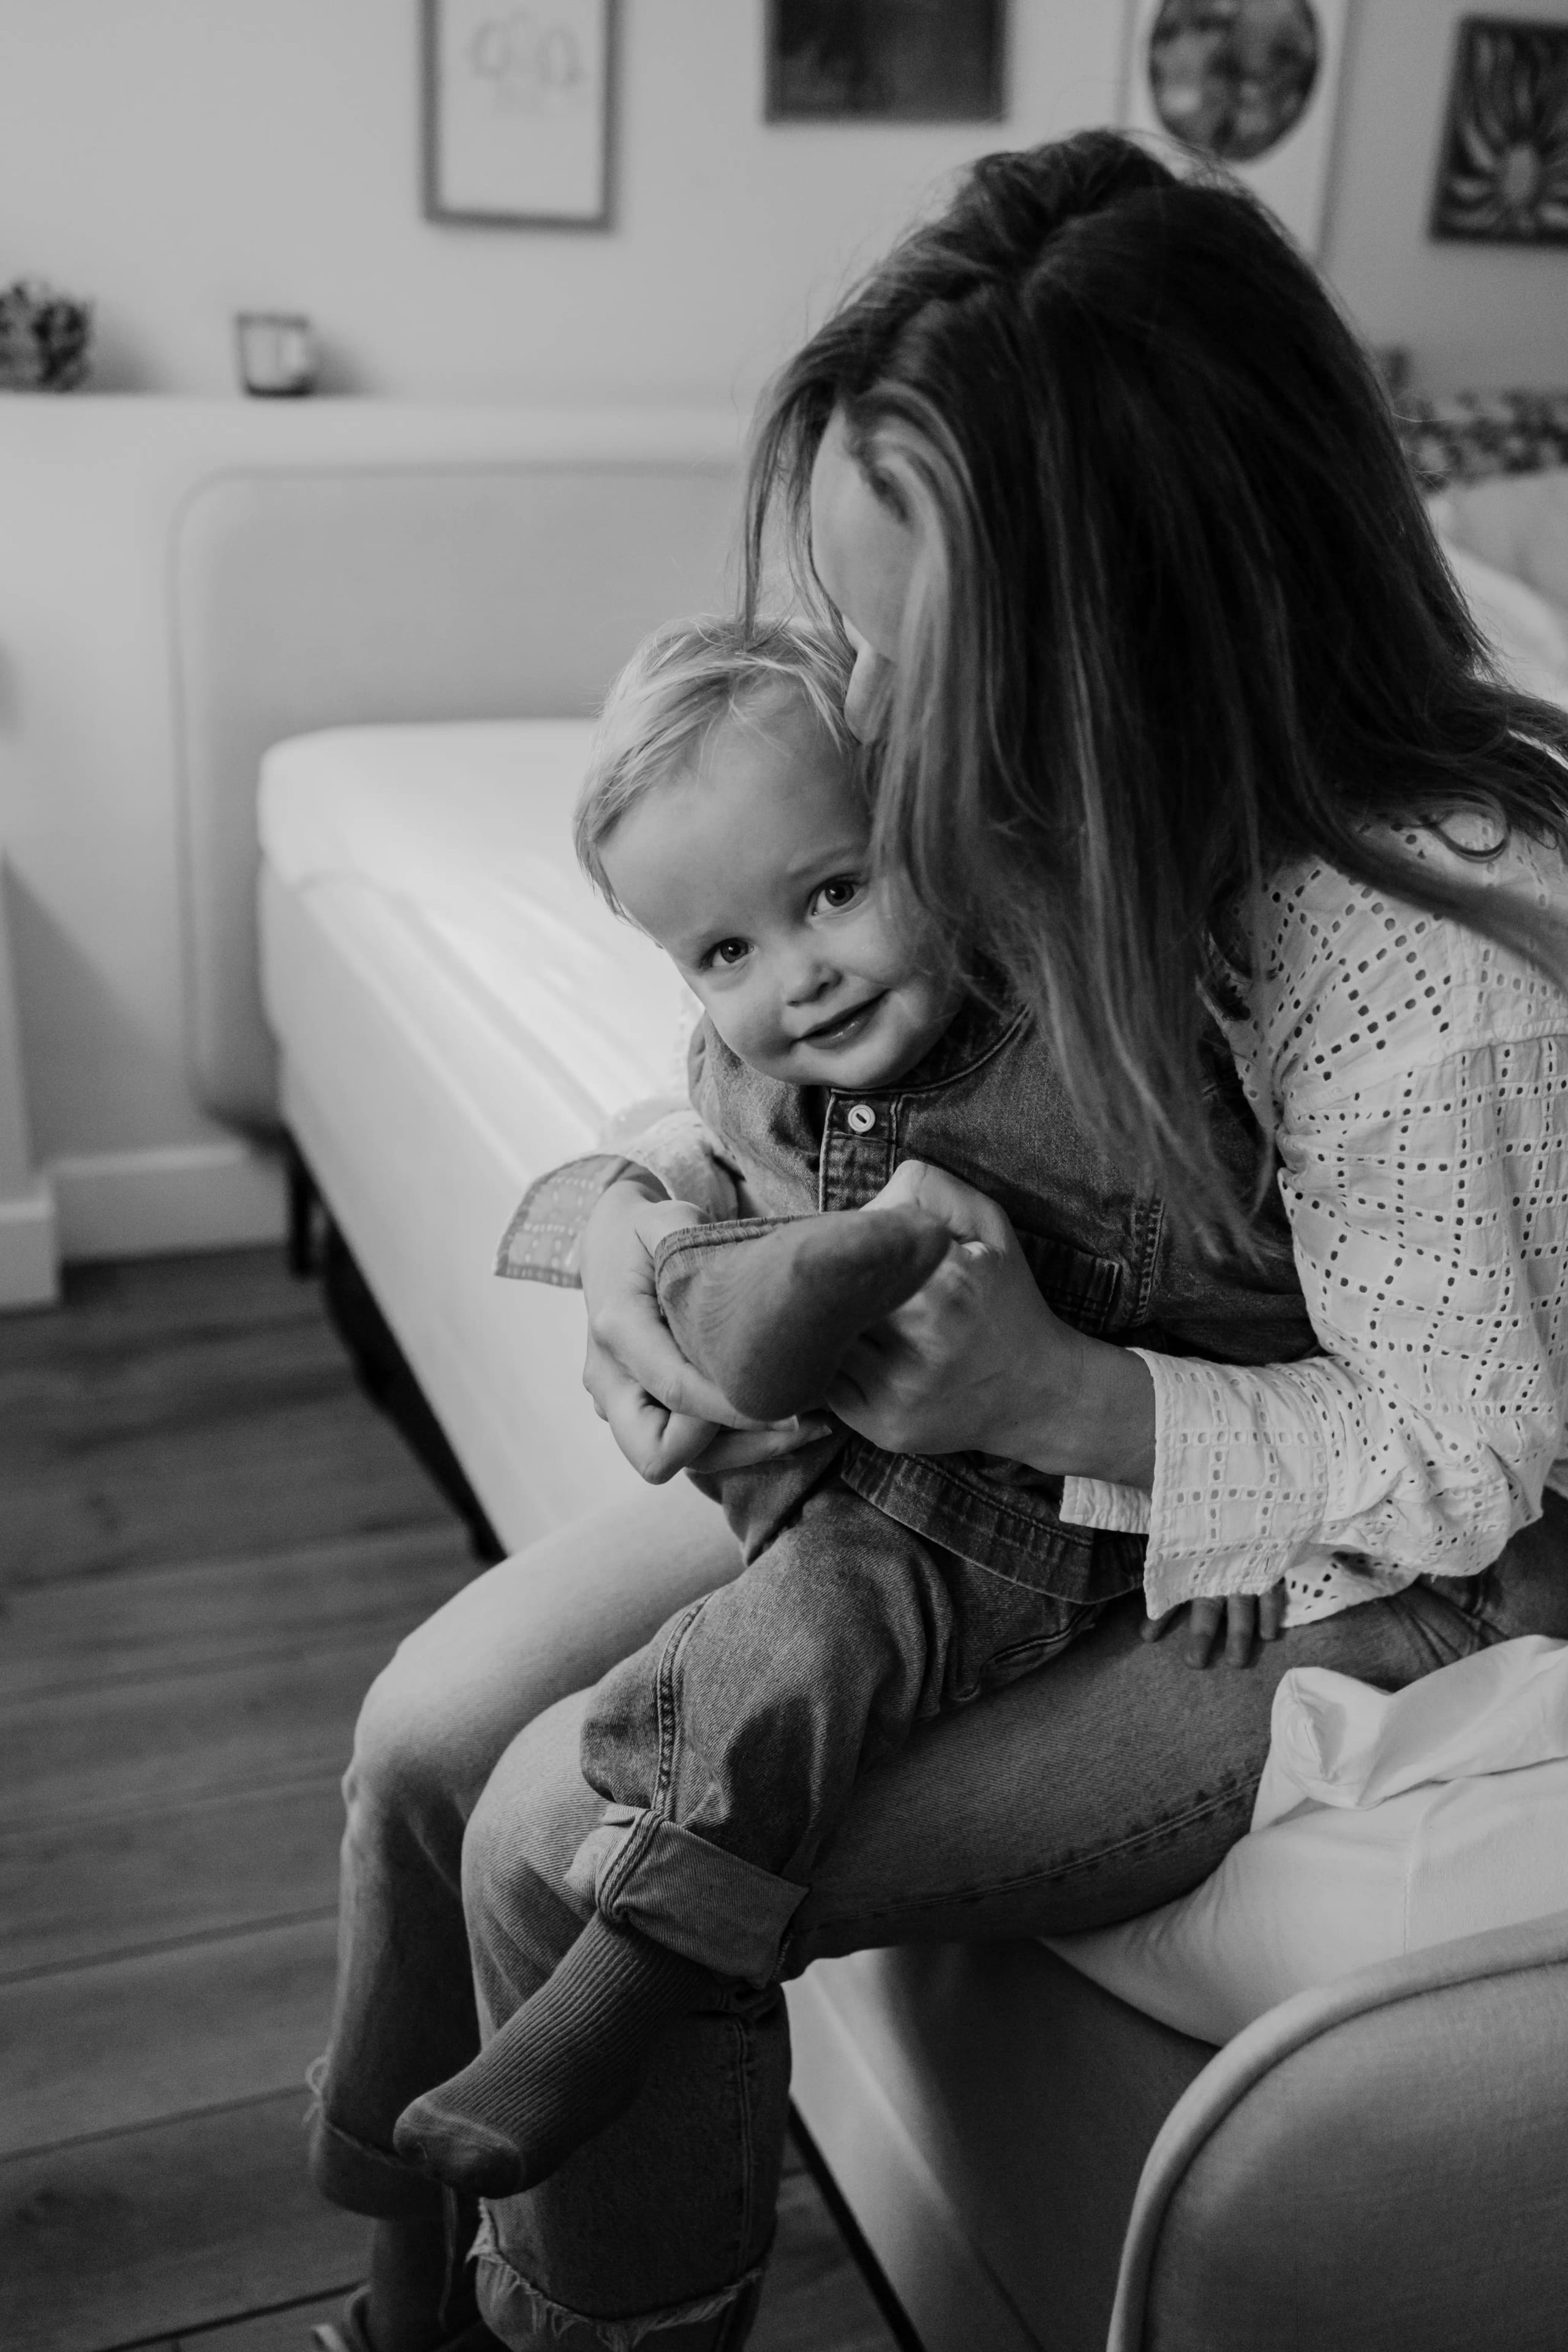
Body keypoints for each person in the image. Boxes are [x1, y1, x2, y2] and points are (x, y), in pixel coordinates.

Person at [306, 130, 1568, 2352]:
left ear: (1129, 627)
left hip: (1368, 1565)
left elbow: (1468, 1450)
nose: (867, 712)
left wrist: (1050, 1397)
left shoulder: (1412, 953)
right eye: (856, 636)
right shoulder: (1023, 795)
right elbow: (821, 1063)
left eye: (907, 644)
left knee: (558, 1838)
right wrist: (625, 1232)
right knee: (426, 1735)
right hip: (974, 1467)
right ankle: (408, 2300)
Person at [389, 610, 1319, 2202]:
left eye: (832, 893)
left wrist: (1245, 1531)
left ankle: (641, 1959)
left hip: (1015, 1522)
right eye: (725, 952)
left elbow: (1267, 1316)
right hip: (834, 1469)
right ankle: (407, 2249)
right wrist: (629, 1218)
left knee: (792, 1646)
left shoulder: (1094, 1077)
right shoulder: (752, 1060)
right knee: (430, 1730)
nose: (795, 980)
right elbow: (688, 1142)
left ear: (944, 829)